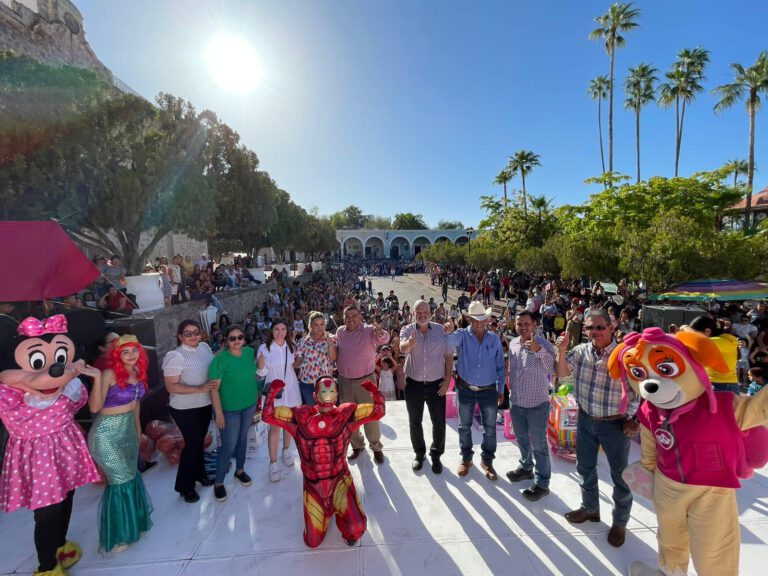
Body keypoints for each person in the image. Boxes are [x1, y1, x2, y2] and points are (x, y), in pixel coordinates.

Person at [261, 376, 385, 547]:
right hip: (313, 487)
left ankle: (341, 514)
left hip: (340, 482)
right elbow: (268, 416)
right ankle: (327, 512)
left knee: (356, 528)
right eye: (324, 391)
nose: (327, 394)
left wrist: (376, 393)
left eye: (331, 390)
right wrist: (271, 394)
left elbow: (378, 412)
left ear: (337, 395)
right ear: (314, 395)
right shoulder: (300, 417)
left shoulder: (345, 414)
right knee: (312, 542)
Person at [555, 309, 638, 548]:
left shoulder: (625, 355)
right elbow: (562, 376)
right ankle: (590, 508)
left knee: (620, 476)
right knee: (585, 467)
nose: (594, 332)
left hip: (616, 424)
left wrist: (636, 419)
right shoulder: (580, 351)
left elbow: (641, 389)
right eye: (590, 327)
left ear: (612, 327)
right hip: (585, 419)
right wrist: (561, 351)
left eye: (600, 327)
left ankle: (620, 522)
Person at [88, 335, 153, 553]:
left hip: (127, 432)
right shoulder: (108, 374)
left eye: (134, 350)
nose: (131, 355)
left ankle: (135, 522)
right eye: (125, 352)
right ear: (117, 354)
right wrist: (97, 378)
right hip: (105, 434)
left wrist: (138, 429)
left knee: (131, 475)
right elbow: (95, 407)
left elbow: (135, 404)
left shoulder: (137, 372)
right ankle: (118, 535)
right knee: (119, 481)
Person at [162, 320, 220, 503]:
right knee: (192, 445)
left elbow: (212, 363)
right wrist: (200, 388)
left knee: (199, 441)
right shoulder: (175, 356)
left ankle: (200, 475)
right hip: (184, 408)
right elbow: (171, 386)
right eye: (188, 333)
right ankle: (184, 486)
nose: (194, 336)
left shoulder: (203, 347)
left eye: (196, 332)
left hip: (204, 404)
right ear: (180, 336)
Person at [446, 301, 506, 480]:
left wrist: (501, 390)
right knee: (464, 426)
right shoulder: (462, 335)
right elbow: (448, 342)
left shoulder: (494, 339)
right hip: (465, 389)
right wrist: (448, 330)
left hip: (489, 391)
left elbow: (501, 368)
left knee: (490, 428)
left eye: (482, 320)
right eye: (475, 320)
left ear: (487, 319)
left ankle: (487, 461)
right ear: (469, 319)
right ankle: (466, 459)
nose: (479, 324)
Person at [399, 299, 453, 474]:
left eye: (425, 312)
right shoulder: (407, 330)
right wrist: (410, 344)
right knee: (415, 421)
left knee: (438, 422)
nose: (422, 315)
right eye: (418, 313)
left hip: (436, 384)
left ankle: (436, 455)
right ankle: (419, 453)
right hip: (413, 384)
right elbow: (402, 348)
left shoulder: (441, 330)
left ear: (431, 313)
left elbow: (448, 356)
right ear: (414, 314)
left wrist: (447, 381)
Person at [505, 311, 556, 501]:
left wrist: (538, 350)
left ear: (534, 324)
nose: (523, 327)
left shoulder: (544, 345)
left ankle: (543, 483)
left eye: (526, 324)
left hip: (537, 404)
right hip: (517, 402)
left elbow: (553, 369)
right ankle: (526, 468)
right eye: (519, 324)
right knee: (522, 439)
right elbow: (512, 369)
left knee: (539, 445)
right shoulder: (513, 343)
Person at [208, 325, 261, 502]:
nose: (237, 341)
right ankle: (219, 482)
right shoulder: (220, 359)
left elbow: (252, 375)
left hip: (249, 404)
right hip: (229, 410)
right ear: (226, 341)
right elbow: (213, 390)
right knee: (228, 446)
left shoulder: (248, 353)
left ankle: (239, 470)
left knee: (243, 439)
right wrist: (219, 414)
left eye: (240, 337)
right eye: (232, 338)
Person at [335, 305, 390, 463]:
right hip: (345, 381)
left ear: (361, 316)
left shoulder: (369, 330)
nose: (351, 319)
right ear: (343, 318)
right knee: (349, 417)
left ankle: (376, 447)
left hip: (366, 381)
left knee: (371, 416)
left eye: (354, 315)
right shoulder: (340, 332)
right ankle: (357, 445)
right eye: (347, 316)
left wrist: (381, 332)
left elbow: (384, 338)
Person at [257, 319, 301, 482]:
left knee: (289, 424)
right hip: (275, 392)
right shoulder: (264, 348)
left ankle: (286, 450)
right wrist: (261, 366)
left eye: (283, 329)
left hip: (290, 389)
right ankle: (273, 463)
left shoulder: (292, 346)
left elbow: (294, 364)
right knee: (274, 428)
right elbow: (261, 374)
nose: (280, 332)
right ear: (271, 331)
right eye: (277, 329)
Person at [689, 316, 739, 394]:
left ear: (708, 331)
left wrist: (685, 329)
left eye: (696, 334)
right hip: (711, 383)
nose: (693, 336)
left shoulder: (723, 341)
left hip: (724, 386)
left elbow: (700, 341)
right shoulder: (710, 343)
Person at [295, 311, 336, 406]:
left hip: (326, 384)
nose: (320, 327)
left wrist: (330, 344)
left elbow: (333, 358)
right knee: (312, 412)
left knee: (326, 412)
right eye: (316, 325)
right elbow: (298, 362)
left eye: (322, 324)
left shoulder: (332, 339)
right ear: (310, 326)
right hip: (307, 383)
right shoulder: (302, 341)